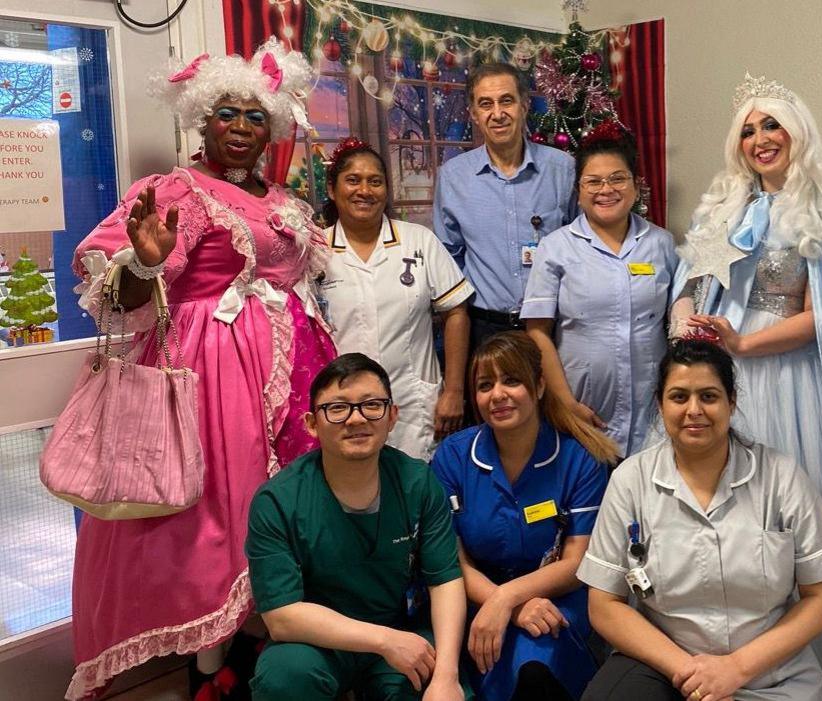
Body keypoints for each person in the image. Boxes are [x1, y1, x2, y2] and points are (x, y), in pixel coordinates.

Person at [64, 41, 337, 700]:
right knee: (216, 519)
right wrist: (147, 262)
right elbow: (122, 295)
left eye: (253, 116)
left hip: (294, 369)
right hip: (212, 374)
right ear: (200, 120)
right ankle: (210, 672)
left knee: (289, 514)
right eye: (226, 114)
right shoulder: (175, 191)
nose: (242, 128)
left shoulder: (282, 198)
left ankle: (267, 640)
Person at [670, 73, 822, 699]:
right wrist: (689, 326)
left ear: (797, 134)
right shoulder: (724, 207)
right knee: (734, 524)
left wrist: (741, 343)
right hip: (721, 376)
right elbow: (690, 286)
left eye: (772, 126)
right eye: (748, 129)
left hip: (791, 382)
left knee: (802, 518)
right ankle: (741, 663)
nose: (760, 139)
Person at [578, 339, 822, 701]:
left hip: (771, 677)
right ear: (660, 404)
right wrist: (692, 675)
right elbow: (604, 605)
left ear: (731, 402)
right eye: (679, 397)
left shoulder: (781, 477)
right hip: (666, 670)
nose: (694, 410)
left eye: (708, 396)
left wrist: (735, 669)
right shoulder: (631, 481)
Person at [245, 353, 467, 700]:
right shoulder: (278, 500)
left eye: (372, 405)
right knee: (284, 677)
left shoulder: (418, 482)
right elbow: (281, 617)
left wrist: (446, 677)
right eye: (337, 408)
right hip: (320, 643)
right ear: (311, 423)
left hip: (402, 626)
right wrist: (383, 640)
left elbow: (445, 580)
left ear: (392, 416)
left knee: (436, 680)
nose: (356, 419)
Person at [431, 332, 615, 700]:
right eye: (485, 385)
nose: (497, 394)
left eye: (511, 380)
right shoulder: (452, 457)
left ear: (540, 385)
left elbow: (577, 561)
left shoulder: (581, 459)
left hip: (556, 600)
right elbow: (451, 560)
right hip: (476, 599)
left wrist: (507, 599)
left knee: (536, 659)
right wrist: (503, 604)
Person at [521, 124, 677, 457]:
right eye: (593, 181)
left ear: (636, 186)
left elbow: (676, 322)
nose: (606, 189)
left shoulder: (661, 244)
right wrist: (565, 402)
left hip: (652, 406)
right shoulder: (556, 248)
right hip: (582, 406)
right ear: (578, 191)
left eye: (618, 178)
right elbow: (537, 332)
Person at [318, 137, 474, 460]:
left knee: (417, 492)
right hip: (343, 408)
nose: (365, 190)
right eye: (353, 180)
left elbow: (456, 311)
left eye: (375, 181)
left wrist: (454, 390)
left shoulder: (418, 241)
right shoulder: (315, 250)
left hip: (413, 405)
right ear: (332, 189)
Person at [433, 63, 577, 348]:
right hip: (485, 330)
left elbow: (581, 247)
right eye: (486, 104)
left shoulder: (563, 170)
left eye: (506, 101)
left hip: (555, 328)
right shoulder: (454, 176)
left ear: (524, 105)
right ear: (474, 114)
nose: (497, 114)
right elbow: (447, 259)